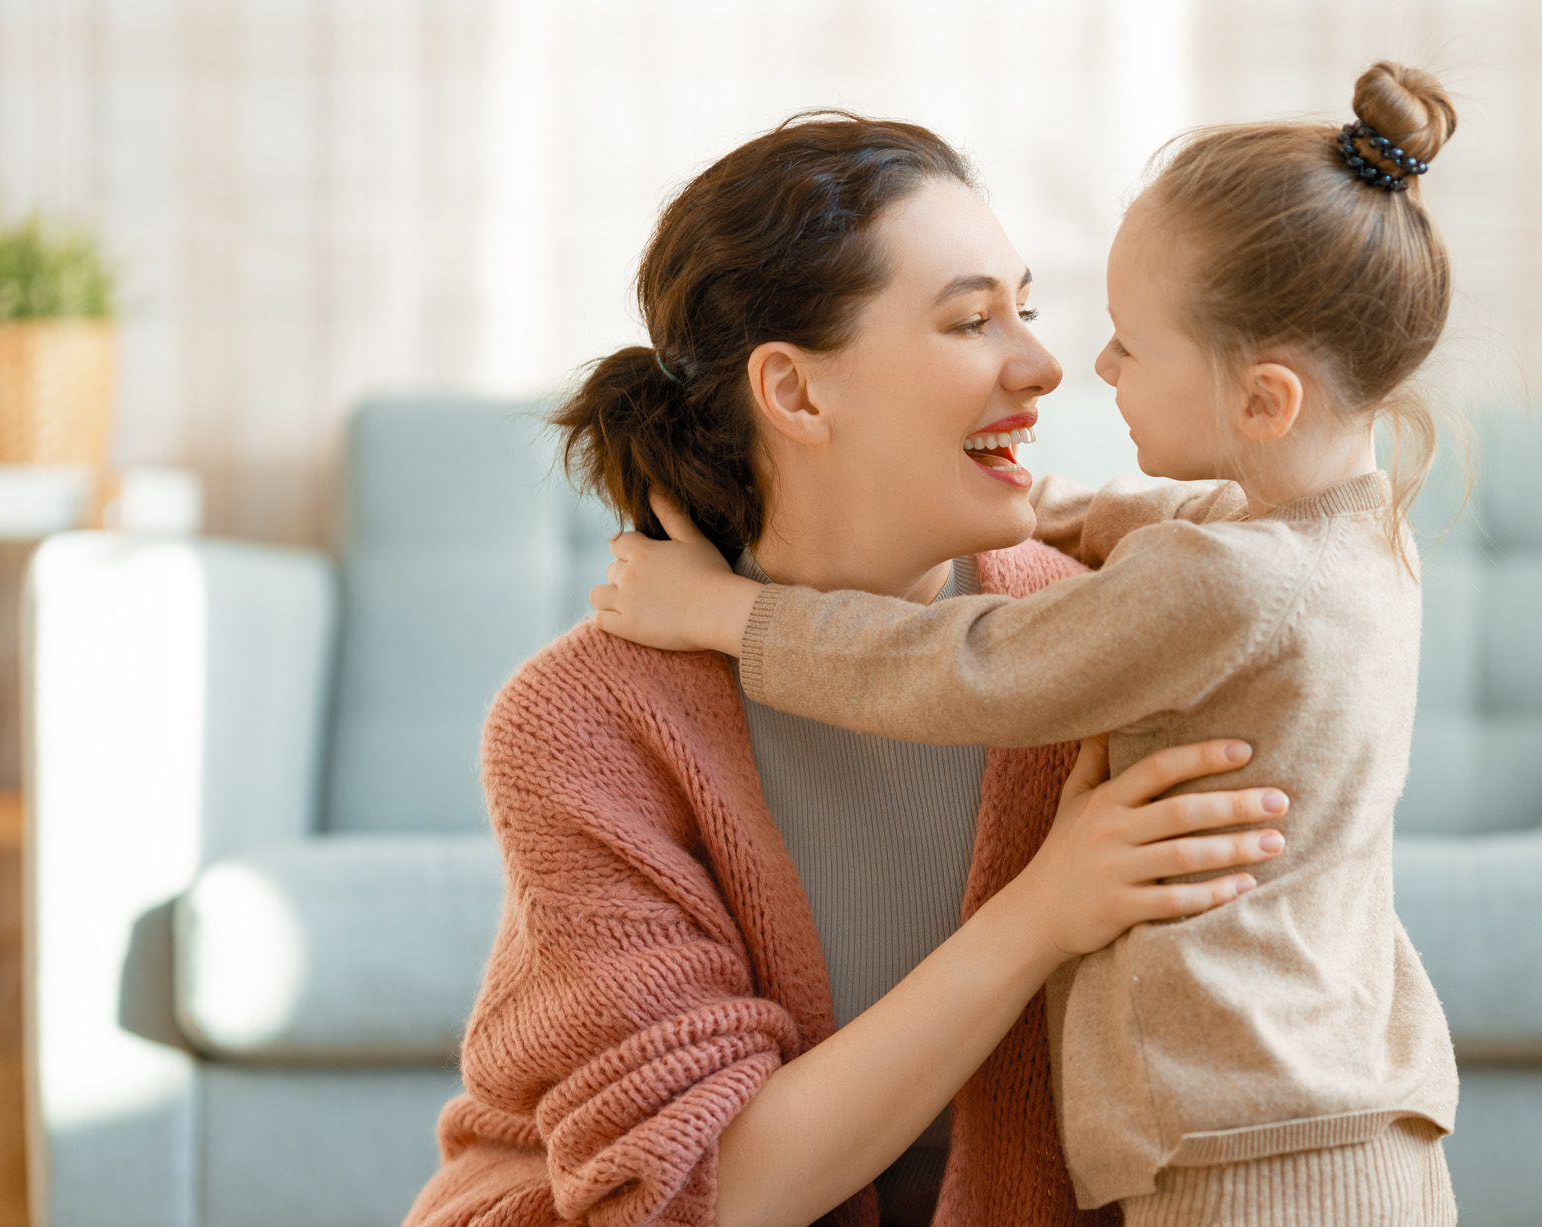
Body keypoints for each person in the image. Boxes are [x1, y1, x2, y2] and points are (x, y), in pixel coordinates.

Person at [591, 63, 1464, 1226]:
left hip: (1255, 1146)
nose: (1068, 369)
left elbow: (970, 665)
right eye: (972, 318)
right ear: (792, 393)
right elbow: (1190, 536)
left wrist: (720, 615)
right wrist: (1060, 509)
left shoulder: (1191, 598)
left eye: (1114, 341)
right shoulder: (1347, 547)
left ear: (1263, 402)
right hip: (1322, 1120)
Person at [403, 112, 1287, 1227]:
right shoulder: (586, 719)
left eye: (1026, 308)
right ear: (798, 394)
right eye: (971, 319)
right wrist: (1044, 910)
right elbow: (700, 1193)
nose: (1044, 364)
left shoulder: (1105, 645)